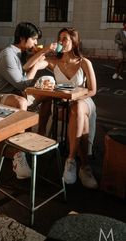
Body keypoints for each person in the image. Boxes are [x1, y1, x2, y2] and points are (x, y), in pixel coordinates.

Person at [0, 22, 55, 179]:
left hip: (16, 94)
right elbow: (22, 84)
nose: (36, 43)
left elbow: (24, 80)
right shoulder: (8, 55)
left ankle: (40, 135)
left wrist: (40, 60)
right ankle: (18, 156)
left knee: (47, 94)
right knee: (21, 103)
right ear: (23, 38)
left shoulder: (20, 54)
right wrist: (36, 66)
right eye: (34, 39)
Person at [43, 27, 98, 189]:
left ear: (74, 42)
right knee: (78, 115)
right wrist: (46, 50)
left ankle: (71, 159)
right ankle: (83, 166)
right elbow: (28, 66)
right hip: (64, 104)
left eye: (65, 38)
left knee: (78, 106)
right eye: (60, 38)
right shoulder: (54, 61)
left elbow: (92, 90)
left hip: (84, 101)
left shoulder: (84, 62)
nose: (61, 41)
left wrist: (74, 98)